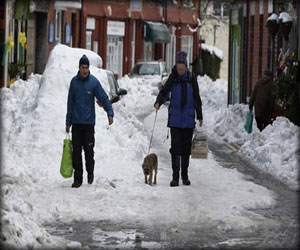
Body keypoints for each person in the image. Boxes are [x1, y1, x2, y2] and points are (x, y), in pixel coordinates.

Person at [154, 51, 203, 187]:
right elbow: (164, 92)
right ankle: (175, 177)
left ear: (186, 68)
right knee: (175, 149)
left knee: (186, 150)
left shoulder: (192, 79)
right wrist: (158, 102)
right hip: (175, 120)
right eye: (178, 68)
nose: (180, 71)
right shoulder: (173, 78)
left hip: (188, 120)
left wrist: (199, 115)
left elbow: (197, 98)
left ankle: (184, 176)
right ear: (176, 67)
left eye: (182, 69)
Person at [66, 55, 114, 188]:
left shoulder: (93, 82)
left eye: (87, 67)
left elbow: (103, 98)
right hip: (76, 123)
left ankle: (90, 172)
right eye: (83, 67)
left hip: (88, 125)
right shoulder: (73, 83)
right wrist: (68, 122)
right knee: (76, 153)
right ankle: (78, 179)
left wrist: (109, 113)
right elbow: (70, 103)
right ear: (79, 67)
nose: (85, 70)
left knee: (89, 151)